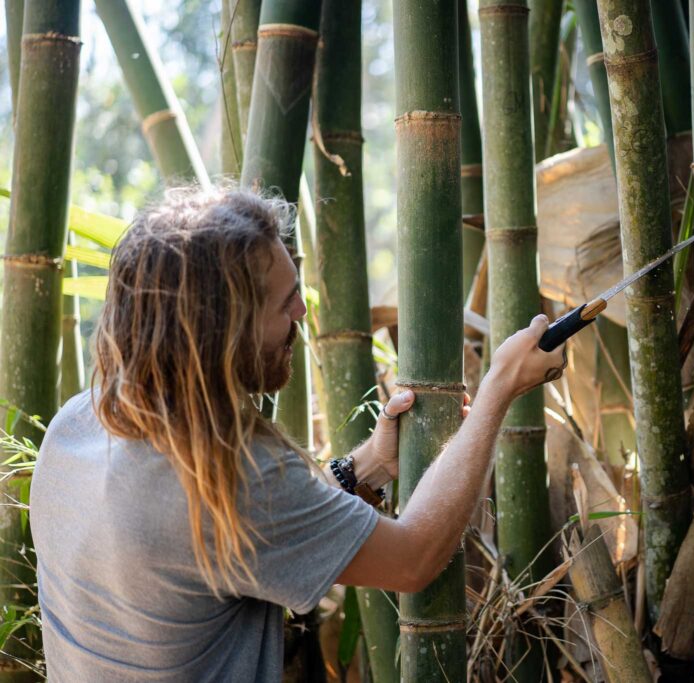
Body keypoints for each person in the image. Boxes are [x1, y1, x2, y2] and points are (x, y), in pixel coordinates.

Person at [29, 188, 566, 681]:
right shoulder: (226, 479)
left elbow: (243, 542)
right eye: (285, 301)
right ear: (225, 328)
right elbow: (414, 558)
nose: (302, 312)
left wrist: (370, 466)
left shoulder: (77, 425)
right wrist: (499, 389)